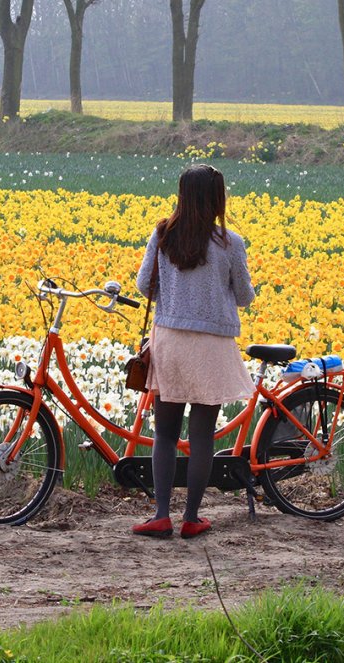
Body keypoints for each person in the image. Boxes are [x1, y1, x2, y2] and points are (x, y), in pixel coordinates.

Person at [132, 164, 256, 539]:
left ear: (182, 195)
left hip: (170, 341)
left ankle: (160, 515)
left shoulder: (162, 235)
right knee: (202, 435)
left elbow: (143, 286)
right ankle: (191, 518)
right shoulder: (230, 243)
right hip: (211, 346)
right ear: (218, 198)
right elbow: (245, 296)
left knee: (166, 434)